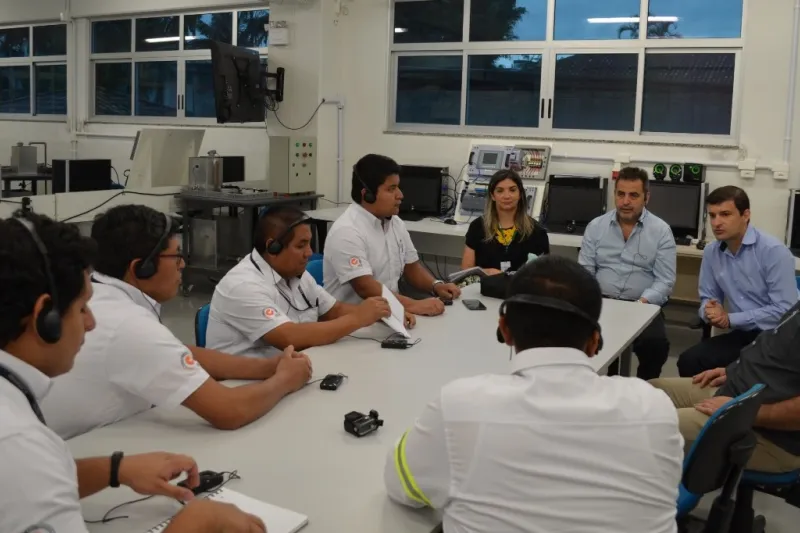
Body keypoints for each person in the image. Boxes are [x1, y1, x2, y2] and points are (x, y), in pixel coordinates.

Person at [0, 211, 265, 533]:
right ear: (46, 317)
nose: (91, 323)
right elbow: (25, 470)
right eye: (82, 308)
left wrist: (115, 469)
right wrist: (194, 524)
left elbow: (33, 477)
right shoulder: (17, 443)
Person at [384, 255, 683, 533]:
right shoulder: (654, 408)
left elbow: (402, 486)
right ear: (595, 342)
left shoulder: (461, 406)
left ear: (505, 330)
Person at [42, 205, 312, 440]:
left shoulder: (100, 294)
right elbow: (229, 410)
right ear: (141, 268)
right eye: (176, 256)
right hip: (84, 449)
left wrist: (267, 367)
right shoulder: (129, 325)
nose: (183, 264)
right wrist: (285, 380)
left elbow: (178, 351)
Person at [207, 206, 392, 357]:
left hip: (290, 369)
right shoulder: (243, 286)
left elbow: (334, 310)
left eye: (309, 244)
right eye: (301, 245)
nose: (309, 253)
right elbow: (289, 337)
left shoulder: (296, 274)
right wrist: (358, 318)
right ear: (273, 247)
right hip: (244, 383)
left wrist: (382, 313)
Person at [652, 299, 800, 473]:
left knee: (644, 426)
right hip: (738, 392)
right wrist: (733, 369)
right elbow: (779, 351)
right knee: (649, 391)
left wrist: (741, 411)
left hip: (768, 435)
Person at [677, 186, 797, 377]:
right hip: (745, 334)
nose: (717, 223)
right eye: (713, 216)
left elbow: (784, 311)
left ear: (746, 215)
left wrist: (730, 319)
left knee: (746, 371)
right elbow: (708, 297)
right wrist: (709, 312)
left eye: (725, 214)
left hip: (779, 337)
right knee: (690, 361)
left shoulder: (773, 251)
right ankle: (702, 406)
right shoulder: (711, 252)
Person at [323, 154, 461, 320]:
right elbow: (365, 287)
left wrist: (436, 286)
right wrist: (414, 305)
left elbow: (412, 268)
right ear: (367, 195)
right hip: (351, 324)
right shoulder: (347, 231)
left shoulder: (394, 222)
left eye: (398, 187)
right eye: (391, 189)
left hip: (390, 315)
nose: (400, 195)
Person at [578, 167, 676, 380]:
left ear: (646, 197)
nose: (625, 201)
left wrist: (641, 304)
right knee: (577, 337)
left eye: (633, 195)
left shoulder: (661, 231)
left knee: (656, 346)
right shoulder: (596, 227)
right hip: (601, 302)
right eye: (620, 194)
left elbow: (665, 281)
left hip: (642, 305)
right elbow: (585, 272)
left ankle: (642, 390)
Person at [461, 169, 550, 275]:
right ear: (493, 196)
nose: (507, 196)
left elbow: (545, 275)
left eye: (512, 190)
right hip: (484, 288)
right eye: (500, 191)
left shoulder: (537, 231)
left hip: (520, 290)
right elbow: (466, 270)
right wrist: (487, 272)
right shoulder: (478, 227)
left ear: (520, 193)